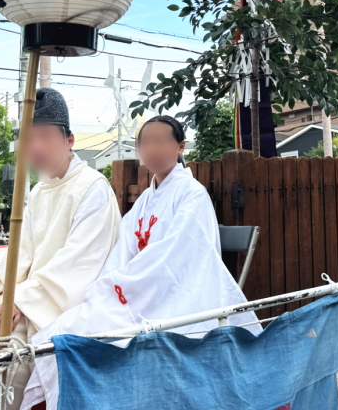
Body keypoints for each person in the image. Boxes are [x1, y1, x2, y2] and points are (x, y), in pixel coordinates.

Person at [22, 116, 261, 410]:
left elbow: (176, 257)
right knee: (61, 331)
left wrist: (127, 287)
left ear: (180, 147)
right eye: (145, 143)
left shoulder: (192, 195)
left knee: (94, 337)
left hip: (177, 295)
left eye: (161, 141)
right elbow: (122, 251)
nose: (152, 149)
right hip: (138, 292)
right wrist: (112, 287)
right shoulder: (145, 200)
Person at [0, 88, 120, 409]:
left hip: (73, 305)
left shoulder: (92, 189)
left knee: (11, 346)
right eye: (29, 139)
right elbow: (24, 253)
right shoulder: (40, 190)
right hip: (37, 297)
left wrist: (21, 300)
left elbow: (78, 267)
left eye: (45, 136)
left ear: (69, 140)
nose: (37, 147)